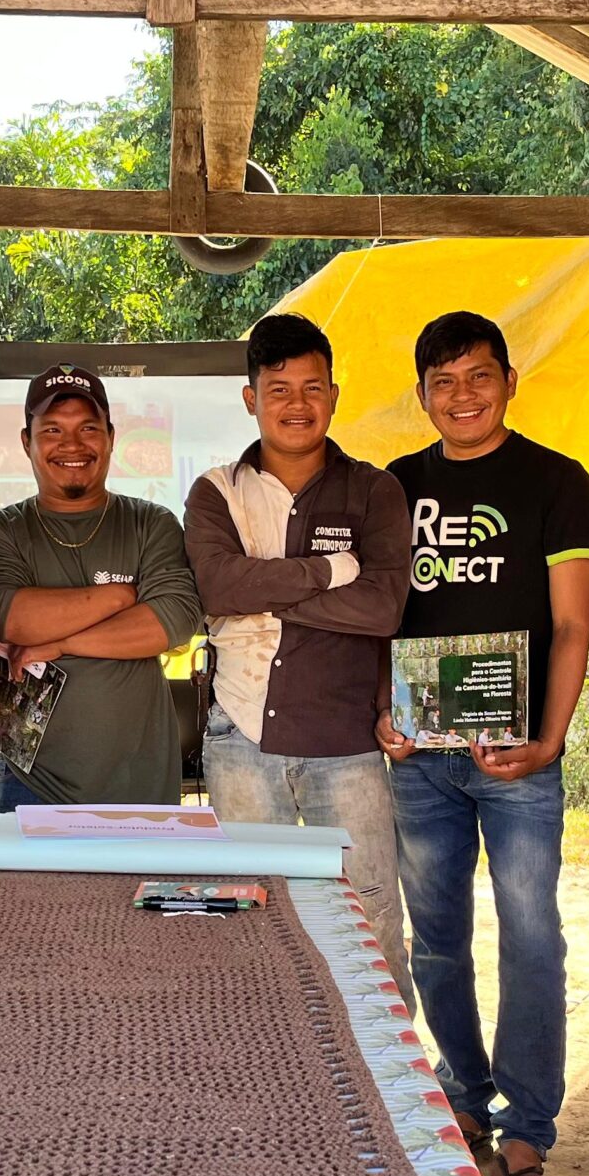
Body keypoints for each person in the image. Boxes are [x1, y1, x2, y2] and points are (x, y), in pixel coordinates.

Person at [381, 311, 589, 1176]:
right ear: (423, 395)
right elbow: (376, 619)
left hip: (518, 759)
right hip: (421, 760)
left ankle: (529, 1125)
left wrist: (548, 740)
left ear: (511, 381)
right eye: (443, 382)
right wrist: (380, 715)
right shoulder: (395, 485)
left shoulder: (556, 481)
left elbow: (573, 624)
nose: (461, 396)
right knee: (434, 940)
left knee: (531, 936)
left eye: (479, 376)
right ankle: (464, 1098)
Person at [187, 314, 413, 996]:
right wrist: (330, 569)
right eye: (279, 389)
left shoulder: (375, 490)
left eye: (312, 388)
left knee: (369, 918)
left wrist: (262, 589)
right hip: (240, 739)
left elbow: (382, 608)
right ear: (251, 398)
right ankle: (266, 1073)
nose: (297, 404)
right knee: (249, 917)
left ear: (334, 396)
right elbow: (217, 587)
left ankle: (389, 1086)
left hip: (345, 745)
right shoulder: (215, 491)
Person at [0, 364, 201, 810]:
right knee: (28, 885)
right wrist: (121, 597)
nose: (72, 445)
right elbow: (10, 616)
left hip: (143, 777)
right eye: (53, 429)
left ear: (111, 437)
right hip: (33, 782)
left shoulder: (150, 522)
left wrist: (60, 643)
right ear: (26, 441)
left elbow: (171, 621)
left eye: (87, 428)